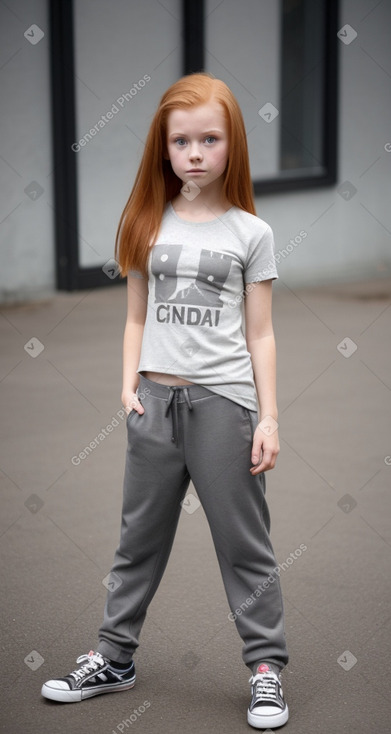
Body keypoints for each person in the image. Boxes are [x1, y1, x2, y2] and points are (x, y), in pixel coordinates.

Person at [41, 72, 289, 729]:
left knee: (244, 544)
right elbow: (134, 317)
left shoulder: (249, 234)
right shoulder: (144, 222)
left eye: (210, 138)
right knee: (137, 541)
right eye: (182, 141)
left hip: (224, 408)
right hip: (154, 403)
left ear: (231, 144)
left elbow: (260, 333)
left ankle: (265, 670)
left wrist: (267, 417)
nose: (196, 153)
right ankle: (114, 659)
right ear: (164, 148)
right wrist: (128, 386)